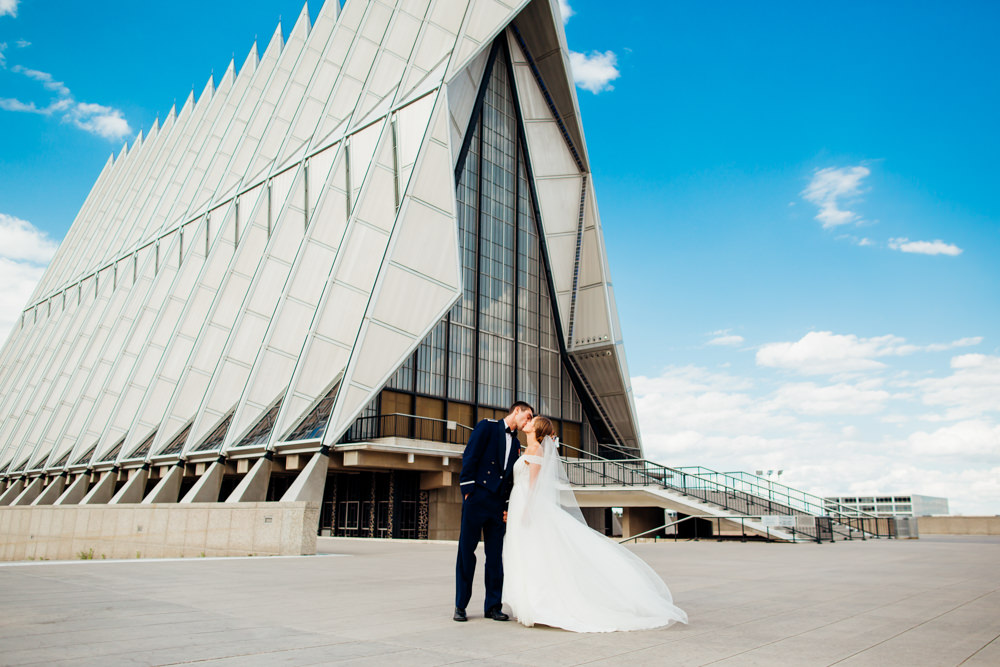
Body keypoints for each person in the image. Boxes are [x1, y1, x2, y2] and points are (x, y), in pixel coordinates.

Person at [503, 416, 688, 632]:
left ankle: (536, 605)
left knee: (535, 554)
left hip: (528, 505)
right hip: (519, 502)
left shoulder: (535, 450)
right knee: (524, 552)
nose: (526, 422)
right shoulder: (527, 449)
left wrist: (527, 510)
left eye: (531, 421)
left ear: (537, 428)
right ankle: (528, 604)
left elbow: (534, 485)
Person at [453, 401, 534, 622]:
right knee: (466, 553)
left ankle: (493, 606)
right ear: (517, 411)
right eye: (527, 416)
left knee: (495, 558)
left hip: (498, 506)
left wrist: (508, 507)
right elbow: (470, 456)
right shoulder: (487, 427)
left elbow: (511, 479)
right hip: (477, 499)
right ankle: (460, 605)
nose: (528, 421)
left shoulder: (517, 443)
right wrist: (468, 491)